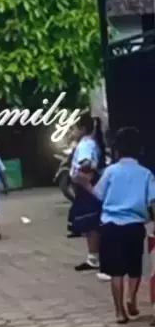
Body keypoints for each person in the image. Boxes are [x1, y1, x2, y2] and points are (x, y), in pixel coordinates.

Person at [79, 127, 155, 324]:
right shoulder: (146, 174)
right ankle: (132, 298)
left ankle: (120, 312)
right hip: (135, 225)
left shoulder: (111, 171)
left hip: (111, 225)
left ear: (117, 150)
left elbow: (99, 194)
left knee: (116, 271)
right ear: (140, 150)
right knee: (135, 267)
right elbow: (152, 200)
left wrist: (86, 184)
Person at [69, 112, 107, 277]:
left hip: (86, 187)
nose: (72, 132)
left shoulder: (85, 144)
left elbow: (86, 163)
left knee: (91, 223)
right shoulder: (90, 143)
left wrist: (83, 178)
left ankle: (94, 257)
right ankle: (95, 256)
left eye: (74, 128)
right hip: (87, 185)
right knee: (91, 222)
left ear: (83, 129)